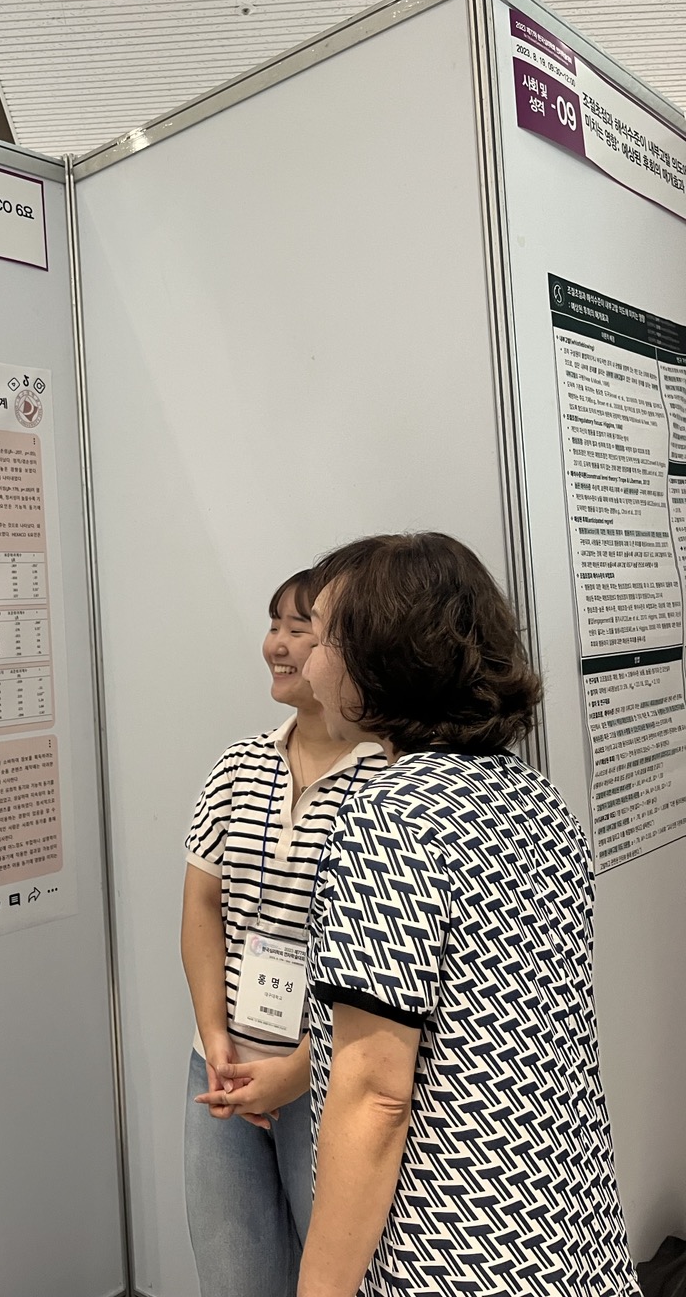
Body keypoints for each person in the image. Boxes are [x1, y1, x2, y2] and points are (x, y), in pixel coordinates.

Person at [292, 532, 641, 1297]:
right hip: (571, 1239)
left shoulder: (390, 816)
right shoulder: (538, 801)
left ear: (384, 657)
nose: (308, 665)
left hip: (453, 1255)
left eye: (321, 638)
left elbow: (375, 1093)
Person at [181, 567, 386, 1297]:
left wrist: (296, 1071)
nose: (278, 644)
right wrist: (216, 1042)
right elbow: (201, 908)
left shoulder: (390, 781)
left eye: (302, 629)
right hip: (222, 1074)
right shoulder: (237, 766)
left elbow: (384, 963)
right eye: (275, 625)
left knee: (341, 1281)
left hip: (332, 1080)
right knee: (235, 1281)